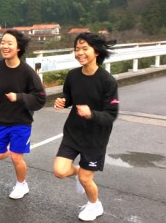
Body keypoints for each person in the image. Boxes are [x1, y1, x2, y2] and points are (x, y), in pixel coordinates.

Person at [53, 32, 119, 221]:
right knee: (60, 171)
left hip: (95, 138)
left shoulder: (107, 81)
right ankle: (79, 173)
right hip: (73, 132)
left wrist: (91, 114)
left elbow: (111, 114)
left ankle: (94, 205)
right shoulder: (73, 75)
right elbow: (69, 97)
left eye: (84, 49)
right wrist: (62, 102)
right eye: (76, 49)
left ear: (96, 51)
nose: (79, 53)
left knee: (86, 178)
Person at [0, 29, 46, 199]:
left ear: (18, 48)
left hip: (21, 121)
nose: (4, 46)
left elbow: (40, 97)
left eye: (9, 43)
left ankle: (21, 184)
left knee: (17, 157)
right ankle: (15, 149)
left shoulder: (27, 72)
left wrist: (18, 97)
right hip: (0, 119)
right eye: (3, 42)